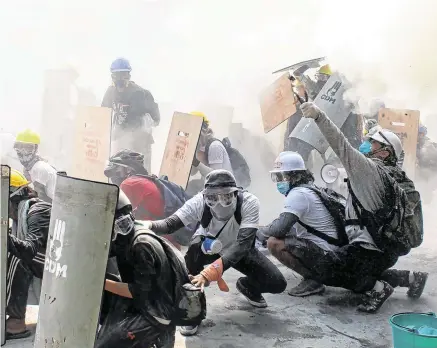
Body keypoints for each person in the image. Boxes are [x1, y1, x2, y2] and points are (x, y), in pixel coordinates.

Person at [298, 101, 428, 313]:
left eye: (372, 142)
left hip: (369, 250)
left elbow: (341, 145)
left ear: (385, 153)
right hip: (387, 248)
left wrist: (319, 116)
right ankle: (411, 278)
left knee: (325, 267)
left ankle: (378, 288)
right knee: (361, 270)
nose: (366, 144)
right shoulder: (395, 176)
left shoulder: (370, 170)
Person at [142, 169, 287, 336]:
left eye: (226, 197)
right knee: (191, 265)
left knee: (277, 283)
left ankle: (247, 286)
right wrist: (149, 226)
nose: (219, 204)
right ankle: (192, 313)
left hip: (237, 250)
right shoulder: (198, 202)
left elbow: (243, 244)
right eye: (212, 198)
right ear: (205, 196)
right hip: (207, 247)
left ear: (235, 193)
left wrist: (211, 271)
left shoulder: (249, 202)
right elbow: (171, 224)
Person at [93, 191, 179, 348]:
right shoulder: (123, 238)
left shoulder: (142, 245)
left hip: (154, 311)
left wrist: (98, 281)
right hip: (138, 302)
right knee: (100, 283)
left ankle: (162, 331)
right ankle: (114, 333)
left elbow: (137, 292)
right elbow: (102, 253)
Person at [257, 152, 347, 297]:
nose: (279, 182)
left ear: (295, 176)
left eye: (282, 177)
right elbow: (291, 227)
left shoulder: (298, 194)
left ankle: (314, 280)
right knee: (278, 235)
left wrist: (260, 232)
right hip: (333, 250)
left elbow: (280, 228)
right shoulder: (308, 189)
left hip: (328, 255)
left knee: (273, 243)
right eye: (277, 177)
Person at [103, 149, 184, 249]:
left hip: (158, 243)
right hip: (167, 241)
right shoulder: (144, 180)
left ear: (128, 169)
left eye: (116, 169)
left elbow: (112, 215)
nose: (113, 174)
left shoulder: (130, 184)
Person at [6, 169, 51, 339]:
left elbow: (30, 250)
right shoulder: (21, 215)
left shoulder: (37, 210)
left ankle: (17, 322)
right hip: (45, 260)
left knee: (16, 256)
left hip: (63, 265)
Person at [102, 58, 160, 171]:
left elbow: (134, 123)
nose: (120, 79)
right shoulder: (110, 92)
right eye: (116, 75)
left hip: (140, 140)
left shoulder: (136, 93)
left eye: (123, 75)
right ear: (112, 76)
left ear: (128, 75)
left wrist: (115, 135)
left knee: (141, 172)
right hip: (121, 137)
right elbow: (103, 112)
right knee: (118, 170)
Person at [187, 112, 233, 195]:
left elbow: (216, 176)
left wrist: (196, 162)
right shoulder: (200, 147)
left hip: (224, 189)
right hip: (209, 185)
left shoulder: (214, 146)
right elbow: (193, 172)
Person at [13, 129, 57, 203]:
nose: (23, 152)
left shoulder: (39, 168)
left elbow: (40, 200)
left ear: (36, 149)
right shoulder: (29, 168)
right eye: (19, 147)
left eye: (28, 148)